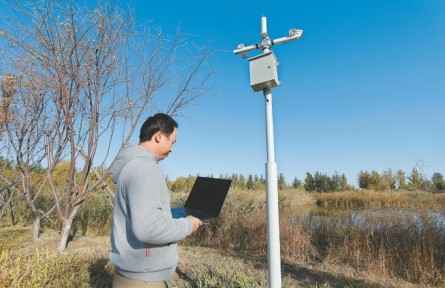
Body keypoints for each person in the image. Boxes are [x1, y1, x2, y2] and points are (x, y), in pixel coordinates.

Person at [109, 113, 202, 288]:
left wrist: (176, 214)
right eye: (172, 142)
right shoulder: (145, 168)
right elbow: (147, 229)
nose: (172, 149)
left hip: (134, 276)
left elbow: (143, 217)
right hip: (144, 280)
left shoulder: (133, 167)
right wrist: (188, 225)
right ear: (159, 136)